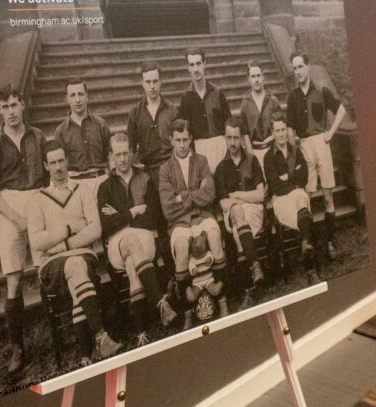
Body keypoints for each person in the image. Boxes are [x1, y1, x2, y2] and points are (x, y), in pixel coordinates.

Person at [27, 140, 123, 366]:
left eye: (61, 161)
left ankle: (88, 352)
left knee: (76, 267)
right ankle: (99, 338)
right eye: (53, 163)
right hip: (51, 266)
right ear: (45, 165)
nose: (58, 167)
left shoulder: (84, 191)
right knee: (76, 271)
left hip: (81, 256)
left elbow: (95, 229)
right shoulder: (37, 199)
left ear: (68, 161)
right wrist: (68, 229)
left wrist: (61, 244)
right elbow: (36, 241)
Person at [0, 84, 47, 374]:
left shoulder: (39, 136)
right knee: (14, 280)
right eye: (4, 107)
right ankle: (17, 346)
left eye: (14, 105)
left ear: (23, 105)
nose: (10, 112)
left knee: (48, 269)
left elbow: (46, 174)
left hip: (37, 199)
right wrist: (16, 218)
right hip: (7, 208)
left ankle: (60, 328)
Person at [97, 133, 177, 346]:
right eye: (118, 154)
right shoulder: (105, 188)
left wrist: (120, 216)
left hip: (145, 238)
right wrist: (133, 212)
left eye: (125, 153)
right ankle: (161, 302)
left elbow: (154, 216)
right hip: (116, 244)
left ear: (132, 153)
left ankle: (141, 331)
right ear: (111, 156)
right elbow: (107, 226)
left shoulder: (145, 178)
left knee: (133, 261)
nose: (122, 159)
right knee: (130, 244)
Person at [159, 119, 228, 328]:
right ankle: (188, 310)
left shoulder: (202, 161)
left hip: (202, 216)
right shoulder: (165, 170)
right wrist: (195, 195)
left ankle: (222, 299)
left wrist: (183, 197)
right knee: (181, 246)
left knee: (215, 237)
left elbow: (210, 194)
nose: (182, 145)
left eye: (185, 139)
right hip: (179, 221)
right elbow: (168, 208)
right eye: (178, 140)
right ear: (171, 140)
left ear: (191, 139)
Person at [285, 51, 347, 260]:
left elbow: (341, 111)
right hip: (305, 147)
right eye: (294, 68)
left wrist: (330, 133)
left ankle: (330, 242)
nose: (298, 71)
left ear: (308, 66)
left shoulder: (321, 90)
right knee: (308, 197)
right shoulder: (293, 97)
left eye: (300, 66)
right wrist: (295, 144)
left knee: (328, 196)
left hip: (322, 142)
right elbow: (290, 127)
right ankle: (309, 243)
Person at [214, 117, 267, 305]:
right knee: (236, 213)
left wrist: (236, 194)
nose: (233, 143)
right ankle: (255, 264)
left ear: (242, 139)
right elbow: (223, 204)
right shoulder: (220, 168)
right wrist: (242, 198)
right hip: (233, 213)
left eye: (236, 138)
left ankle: (248, 292)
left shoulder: (253, 161)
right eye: (229, 138)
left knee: (238, 231)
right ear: (224, 138)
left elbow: (260, 195)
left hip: (254, 210)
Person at [263, 112, 320, 282]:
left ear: (287, 130)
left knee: (302, 199)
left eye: (283, 129)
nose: (280, 134)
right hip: (280, 200)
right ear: (272, 133)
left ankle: (307, 253)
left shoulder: (296, 151)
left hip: (297, 195)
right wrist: (292, 177)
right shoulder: (268, 157)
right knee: (302, 207)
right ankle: (308, 252)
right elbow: (275, 186)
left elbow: (304, 176)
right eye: (277, 130)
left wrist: (286, 178)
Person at [54, 77, 111, 197]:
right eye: (73, 95)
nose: (77, 99)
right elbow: (59, 164)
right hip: (76, 183)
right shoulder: (61, 131)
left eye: (81, 94)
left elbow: (110, 155)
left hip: (101, 180)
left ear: (87, 96)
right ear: (67, 99)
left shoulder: (101, 124)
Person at [177, 48, 231, 173]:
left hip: (220, 147)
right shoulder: (186, 98)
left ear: (204, 64)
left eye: (198, 63)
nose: (196, 69)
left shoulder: (217, 93)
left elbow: (228, 123)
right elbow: (185, 131)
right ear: (188, 68)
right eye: (192, 65)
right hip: (199, 149)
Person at [126, 61, 177, 180]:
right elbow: (131, 147)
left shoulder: (172, 110)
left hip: (171, 169)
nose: (152, 86)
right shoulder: (135, 113)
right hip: (147, 172)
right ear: (142, 84)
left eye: (155, 81)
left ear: (161, 82)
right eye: (148, 82)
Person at [238, 61, 283, 169]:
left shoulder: (273, 100)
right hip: (256, 150)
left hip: (273, 148)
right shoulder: (245, 104)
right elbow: (245, 134)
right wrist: (251, 156)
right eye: (253, 76)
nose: (256, 79)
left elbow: (280, 127)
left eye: (259, 75)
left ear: (264, 77)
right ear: (248, 79)